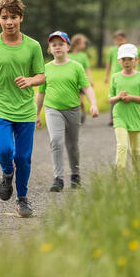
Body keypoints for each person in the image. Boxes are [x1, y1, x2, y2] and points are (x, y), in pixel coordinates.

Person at [0, 0, 45, 218]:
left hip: (25, 109)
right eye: (5, 17)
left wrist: (31, 81)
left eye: (13, 17)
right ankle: (6, 174)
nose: (9, 22)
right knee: (4, 150)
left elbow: (41, 75)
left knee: (23, 157)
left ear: (21, 18)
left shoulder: (33, 46)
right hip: (1, 107)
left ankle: (22, 199)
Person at [36, 31, 99, 192]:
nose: (57, 47)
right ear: (49, 49)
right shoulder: (46, 69)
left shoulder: (76, 67)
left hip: (73, 109)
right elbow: (41, 93)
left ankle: (75, 174)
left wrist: (93, 104)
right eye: (54, 45)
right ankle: (58, 178)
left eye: (61, 44)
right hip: (53, 109)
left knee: (72, 145)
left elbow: (87, 87)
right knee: (56, 141)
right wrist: (36, 114)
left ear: (68, 47)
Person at [108, 44, 140, 172]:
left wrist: (132, 97)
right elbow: (110, 98)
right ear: (119, 60)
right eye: (124, 59)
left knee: (136, 150)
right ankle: (119, 175)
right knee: (122, 145)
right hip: (119, 115)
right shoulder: (115, 77)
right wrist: (118, 97)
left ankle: (138, 176)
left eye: (130, 59)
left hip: (135, 116)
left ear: (136, 60)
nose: (126, 62)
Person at [104, 30, 128, 126]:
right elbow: (108, 64)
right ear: (114, 40)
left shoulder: (127, 49)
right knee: (114, 97)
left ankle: (126, 117)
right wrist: (106, 76)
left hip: (126, 76)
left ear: (125, 39)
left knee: (126, 96)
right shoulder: (112, 50)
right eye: (117, 40)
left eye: (121, 39)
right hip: (115, 76)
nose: (120, 41)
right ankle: (112, 118)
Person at [68, 33, 93, 124]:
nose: (84, 45)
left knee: (80, 100)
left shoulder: (83, 56)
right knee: (74, 100)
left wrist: (90, 80)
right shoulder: (68, 55)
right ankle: (74, 115)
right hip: (71, 82)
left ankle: (83, 112)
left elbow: (87, 69)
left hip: (81, 82)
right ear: (77, 43)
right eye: (83, 43)